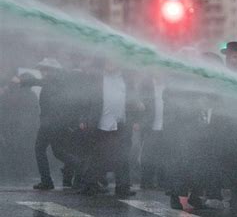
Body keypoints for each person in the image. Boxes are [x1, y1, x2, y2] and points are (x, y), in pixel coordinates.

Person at [14, 58, 82, 190]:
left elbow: (37, 82)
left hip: (50, 123)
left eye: (45, 69)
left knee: (40, 149)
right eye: (41, 69)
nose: (42, 72)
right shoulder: (57, 81)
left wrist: (22, 80)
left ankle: (47, 181)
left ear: (53, 70)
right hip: (54, 123)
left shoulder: (54, 80)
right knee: (58, 152)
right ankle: (81, 167)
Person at [80, 60, 142, 197]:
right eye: (107, 61)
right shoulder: (96, 78)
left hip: (121, 124)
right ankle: (89, 185)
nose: (110, 63)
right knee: (95, 155)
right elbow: (87, 100)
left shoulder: (126, 80)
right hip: (100, 123)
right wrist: (84, 118)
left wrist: (136, 119)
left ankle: (123, 187)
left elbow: (133, 100)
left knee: (123, 156)